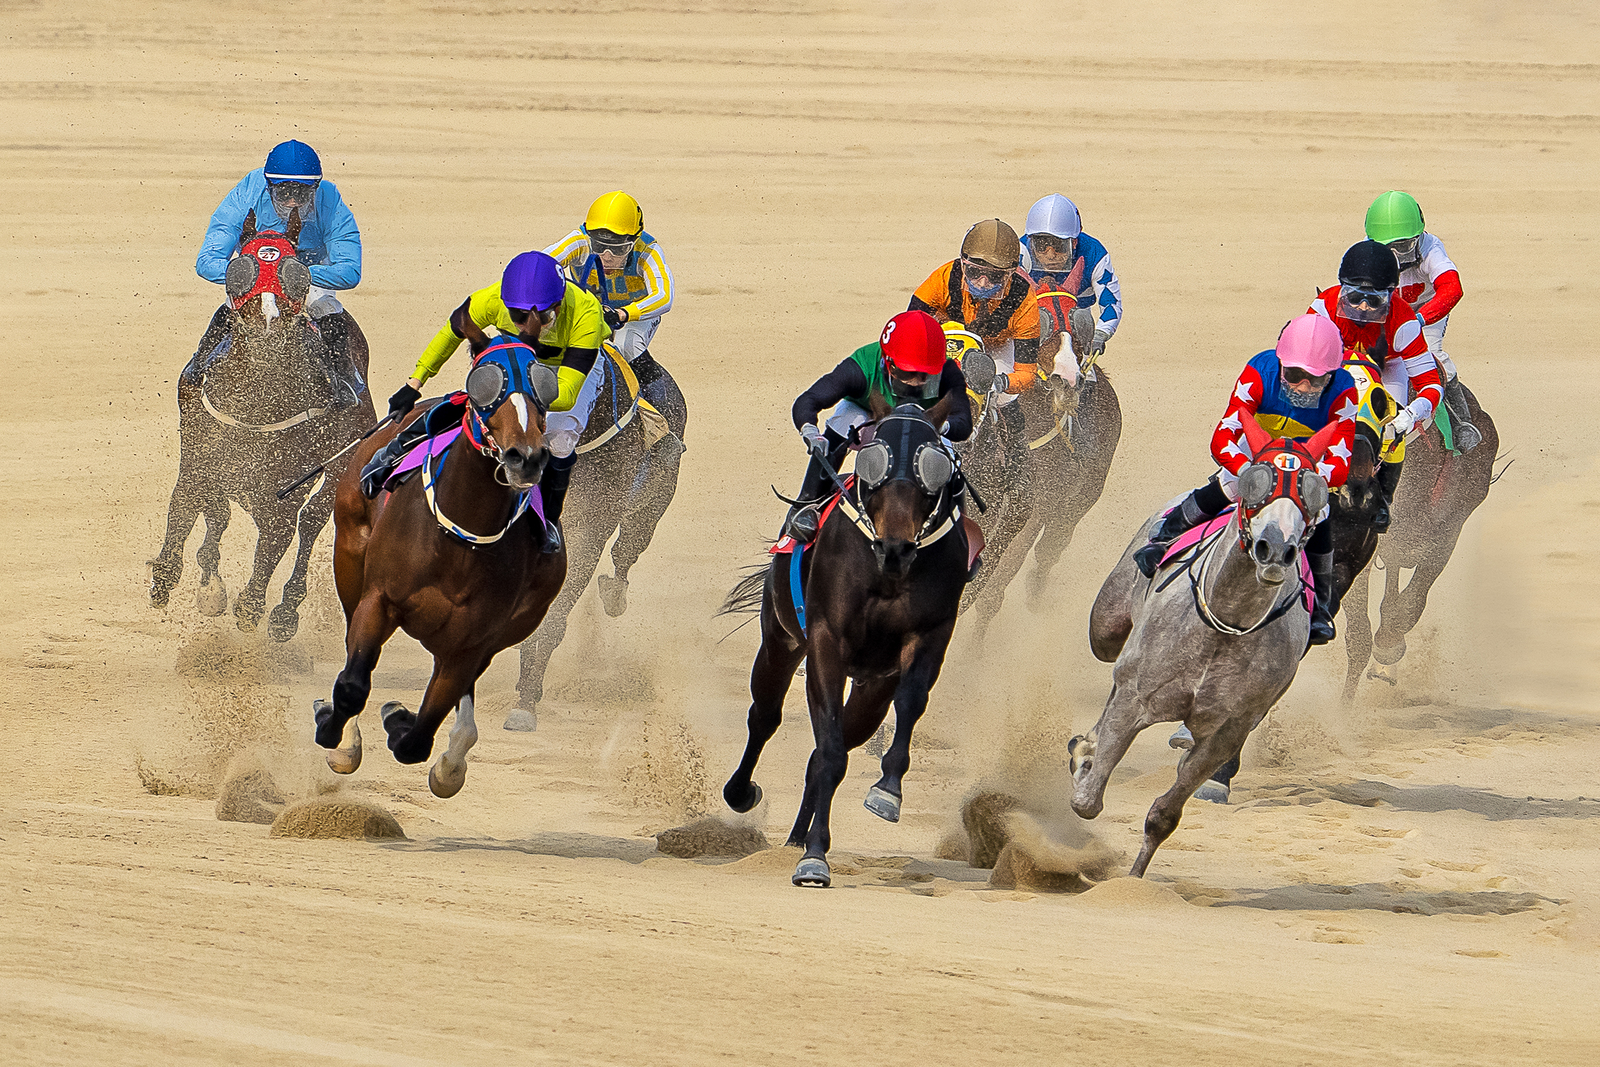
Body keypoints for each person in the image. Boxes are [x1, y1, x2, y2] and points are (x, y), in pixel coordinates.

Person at [1131, 314, 1359, 646]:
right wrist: (1253, 471)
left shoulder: (1345, 390)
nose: (1303, 386)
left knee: (1320, 511)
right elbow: (1222, 438)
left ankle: (1321, 605)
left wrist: (1299, 477)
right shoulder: (1259, 371)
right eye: (1294, 375)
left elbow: (1340, 463)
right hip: (1256, 457)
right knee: (1230, 485)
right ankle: (1164, 540)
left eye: (1316, 379)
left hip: (1304, 467)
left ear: (1332, 375)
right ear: (1280, 363)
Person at [360, 251, 608, 554]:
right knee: (473, 405)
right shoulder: (490, 298)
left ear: (558, 306)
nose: (525, 325)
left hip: (566, 368)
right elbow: (450, 334)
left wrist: (516, 399)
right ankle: (392, 453)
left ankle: (549, 519)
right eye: (516, 316)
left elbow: (566, 394)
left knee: (559, 438)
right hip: (518, 357)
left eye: (541, 318)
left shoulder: (587, 314)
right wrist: (415, 382)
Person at [192, 139, 365, 407]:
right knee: (230, 307)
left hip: (308, 272)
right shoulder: (248, 193)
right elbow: (207, 260)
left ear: (315, 188)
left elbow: (350, 270)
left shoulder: (330, 200)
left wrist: (299, 274)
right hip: (254, 274)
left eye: (301, 193)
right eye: (284, 193)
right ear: (269, 186)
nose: (293, 201)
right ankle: (196, 369)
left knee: (326, 307)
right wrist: (246, 274)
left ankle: (345, 384)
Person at [784, 310, 974, 541]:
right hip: (870, 422)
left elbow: (963, 423)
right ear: (888, 363)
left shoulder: (949, 372)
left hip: (921, 426)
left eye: (927, 375)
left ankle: (956, 525)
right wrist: (811, 433)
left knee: (949, 456)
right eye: (908, 372)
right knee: (844, 420)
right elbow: (809, 400)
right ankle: (807, 504)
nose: (917, 382)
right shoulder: (862, 366)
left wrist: (938, 425)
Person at [1308, 239, 1444, 530]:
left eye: (1375, 300)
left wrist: (1411, 414)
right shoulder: (1322, 308)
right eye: (1355, 297)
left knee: (1390, 425)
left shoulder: (1405, 321)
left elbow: (1431, 384)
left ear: (1391, 296)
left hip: (1387, 367)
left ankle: (1382, 496)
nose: (1363, 307)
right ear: (1341, 289)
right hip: (1336, 364)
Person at [544, 191, 685, 459]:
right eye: (599, 246)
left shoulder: (648, 251)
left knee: (627, 346)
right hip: (588, 312)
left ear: (635, 240)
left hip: (634, 316)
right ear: (588, 235)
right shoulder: (578, 242)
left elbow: (664, 296)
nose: (607, 256)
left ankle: (662, 427)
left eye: (619, 249)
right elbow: (542, 264)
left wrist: (623, 314)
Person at [908, 220, 1040, 475]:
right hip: (950, 338)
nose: (982, 282)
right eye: (974, 272)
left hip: (996, 348)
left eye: (994, 276)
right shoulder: (941, 279)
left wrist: (1000, 383)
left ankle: (1017, 457)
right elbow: (908, 331)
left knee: (1006, 397)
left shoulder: (1024, 300)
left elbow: (1027, 374)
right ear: (962, 263)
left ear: (1011, 274)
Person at [1364, 190, 1481, 451]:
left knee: (1435, 355)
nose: (1396, 257)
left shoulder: (1431, 248)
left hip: (1427, 313)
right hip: (1386, 314)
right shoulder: (1363, 254)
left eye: (1404, 246)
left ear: (1419, 236)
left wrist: (1418, 319)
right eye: (1387, 250)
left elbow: (1452, 288)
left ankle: (1461, 424)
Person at [1018, 194, 1123, 373]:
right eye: (1041, 246)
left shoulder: (1095, 254)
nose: (1050, 255)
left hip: (1076, 322)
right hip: (1032, 323)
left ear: (1074, 242)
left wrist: (1100, 334)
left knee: (1080, 320)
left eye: (1059, 246)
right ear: (1031, 242)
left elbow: (1111, 304)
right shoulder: (1020, 254)